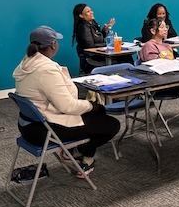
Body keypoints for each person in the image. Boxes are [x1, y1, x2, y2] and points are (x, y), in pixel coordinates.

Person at [13, 26, 119, 177]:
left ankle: (76, 151)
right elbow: (67, 106)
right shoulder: (46, 70)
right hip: (46, 130)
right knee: (111, 124)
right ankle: (81, 153)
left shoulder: (26, 63)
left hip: (28, 125)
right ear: (53, 45)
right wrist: (91, 106)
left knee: (97, 115)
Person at [72, 3, 121, 74]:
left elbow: (97, 39)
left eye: (91, 10)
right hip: (92, 58)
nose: (91, 12)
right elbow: (90, 45)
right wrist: (108, 45)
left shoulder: (93, 25)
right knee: (123, 59)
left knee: (126, 57)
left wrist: (104, 30)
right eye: (88, 12)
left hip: (99, 55)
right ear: (81, 15)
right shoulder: (83, 27)